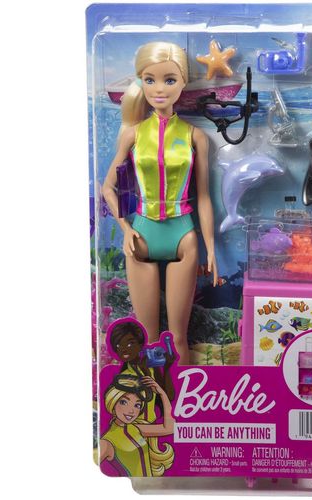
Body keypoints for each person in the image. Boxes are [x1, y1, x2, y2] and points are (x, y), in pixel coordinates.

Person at [102, 41, 218, 364]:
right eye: (149, 80)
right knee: (148, 337)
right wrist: (125, 228)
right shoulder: (134, 134)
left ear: (183, 83)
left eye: (169, 80)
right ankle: (150, 394)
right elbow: (108, 188)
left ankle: (185, 394)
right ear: (140, 82)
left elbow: (204, 196)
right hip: (142, 233)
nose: (159, 89)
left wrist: (211, 248)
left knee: (178, 338)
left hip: (183, 234)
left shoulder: (195, 136)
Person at [100, 374, 174, 477]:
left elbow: (170, 428)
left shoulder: (135, 428)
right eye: (124, 402)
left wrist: (162, 393)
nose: (131, 411)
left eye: (137, 405)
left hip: (150, 484)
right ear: (113, 401)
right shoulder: (106, 442)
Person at [108, 318, 174, 421]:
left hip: (149, 426)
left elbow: (168, 397)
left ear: (140, 345)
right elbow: (146, 397)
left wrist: (166, 369)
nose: (123, 349)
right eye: (118, 345)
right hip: (132, 426)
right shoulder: (123, 378)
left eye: (130, 344)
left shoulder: (150, 367)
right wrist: (146, 372)